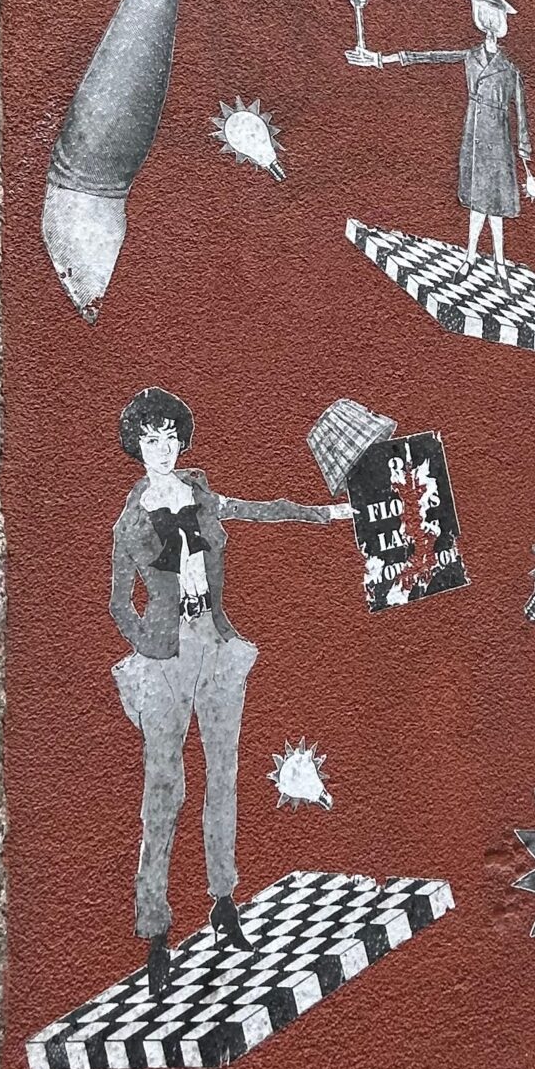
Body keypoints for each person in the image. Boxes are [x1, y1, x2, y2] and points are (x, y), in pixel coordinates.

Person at [107, 388, 349, 999]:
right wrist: (151, 643)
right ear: (137, 447)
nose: (162, 450)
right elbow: (118, 604)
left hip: (216, 648)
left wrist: (329, 514)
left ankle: (222, 903)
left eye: (170, 438)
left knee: (224, 777)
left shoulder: (204, 496)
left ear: (180, 441)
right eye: (150, 440)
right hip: (164, 660)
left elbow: (264, 510)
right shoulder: (129, 523)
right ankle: (156, 930)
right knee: (164, 788)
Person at [378, 0, 535, 283]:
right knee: (477, 201)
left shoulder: (511, 70)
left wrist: (525, 154)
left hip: (499, 139)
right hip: (475, 131)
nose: (487, 20)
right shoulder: (470, 56)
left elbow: (522, 112)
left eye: (491, 12)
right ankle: (470, 257)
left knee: (495, 204)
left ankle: (499, 263)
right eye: (482, 10)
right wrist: (385, 59)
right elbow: (430, 56)